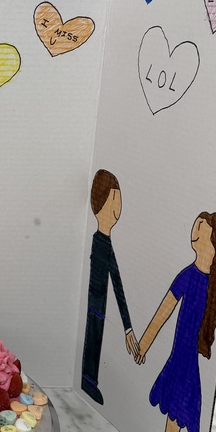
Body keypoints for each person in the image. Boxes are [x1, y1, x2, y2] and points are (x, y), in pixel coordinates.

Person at [136, 212, 216, 432]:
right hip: (182, 353)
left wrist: (144, 345)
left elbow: (163, 312)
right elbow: (163, 313)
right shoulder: (195, 278)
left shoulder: (194, 278)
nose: (195, 229)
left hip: (183, 354)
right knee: (178, 396)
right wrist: (143, 345)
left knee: (178, 396)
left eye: (201, 226)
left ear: (213, 244)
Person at [80, 169, 139, 404]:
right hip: (95, 305)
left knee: (95, 337)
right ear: (101, 201)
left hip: (99, 306)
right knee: (92, 338)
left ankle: (89, 381)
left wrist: (127, 327)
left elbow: (117, 284)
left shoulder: (105, 242)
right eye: (115, 198)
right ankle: (88, 380)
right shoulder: (99, 242)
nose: (118, 206)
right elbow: (115, 283)